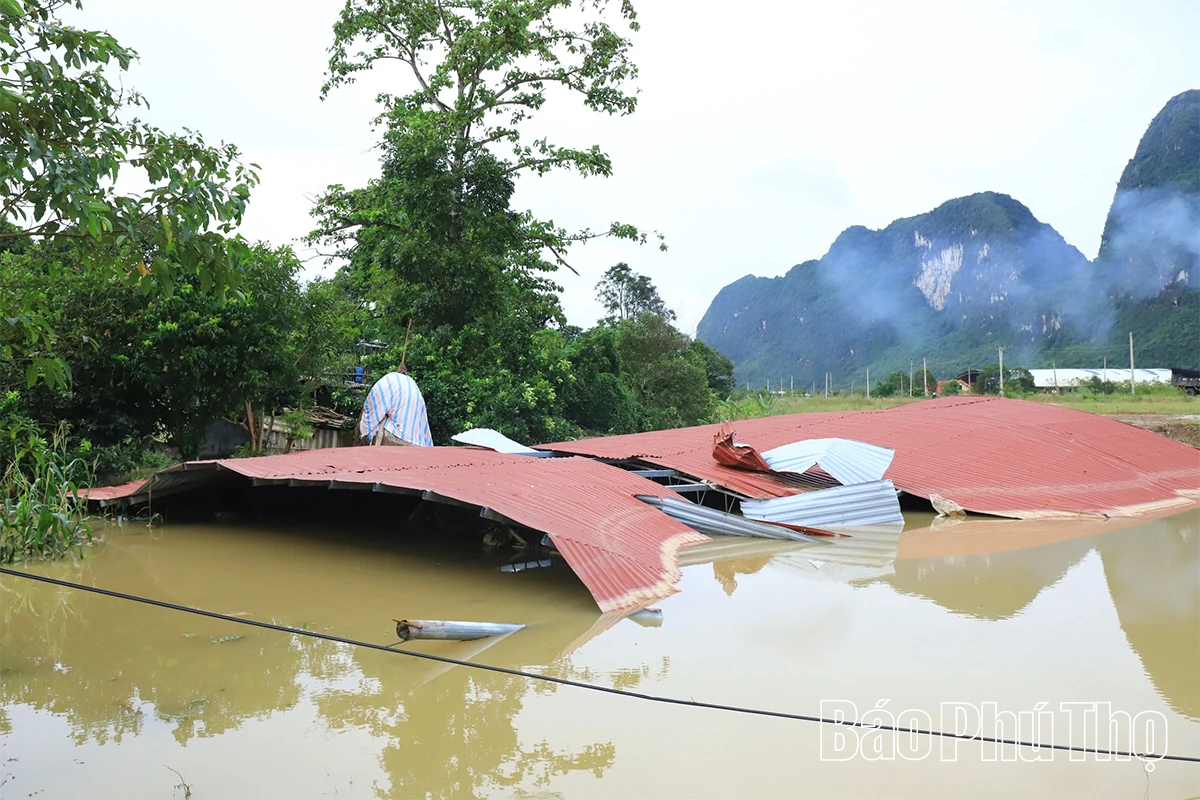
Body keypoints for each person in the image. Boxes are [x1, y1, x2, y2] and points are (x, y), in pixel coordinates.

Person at [358, 364, 434, 446]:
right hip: (418, 440)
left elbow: (371, 411)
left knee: (378, 424)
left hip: (395, 436)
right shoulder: (412, 384)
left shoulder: (389, 380)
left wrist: (365, 433)